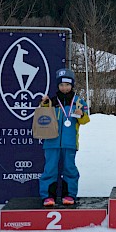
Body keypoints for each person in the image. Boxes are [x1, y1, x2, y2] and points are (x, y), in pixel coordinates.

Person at [39, 68, 90, 207]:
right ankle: (48, 196)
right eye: (61, 85)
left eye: (67, 85)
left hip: (70, 142)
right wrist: (44, 104)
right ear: (58, 86)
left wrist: (81, 114)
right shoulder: (52, 101)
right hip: (51, 141)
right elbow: (42, 118)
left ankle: (69, 194)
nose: (65, 88)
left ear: (72, 85)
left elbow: (85, 121)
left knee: (69, 168)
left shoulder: (78, 102)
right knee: (50, 168)